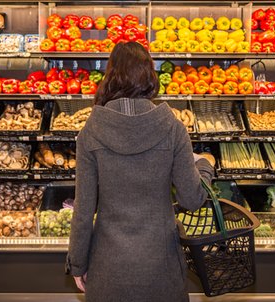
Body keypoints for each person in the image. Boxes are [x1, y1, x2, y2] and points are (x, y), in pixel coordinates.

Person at [66, 41, 214, 302]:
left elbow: (83, 209)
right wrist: (203, 166)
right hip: (162, 269)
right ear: (150, 75)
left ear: (110, 76)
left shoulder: (90, 132)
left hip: (108, 270)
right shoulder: (173, 129)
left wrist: (77, 263)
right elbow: (192, 199)